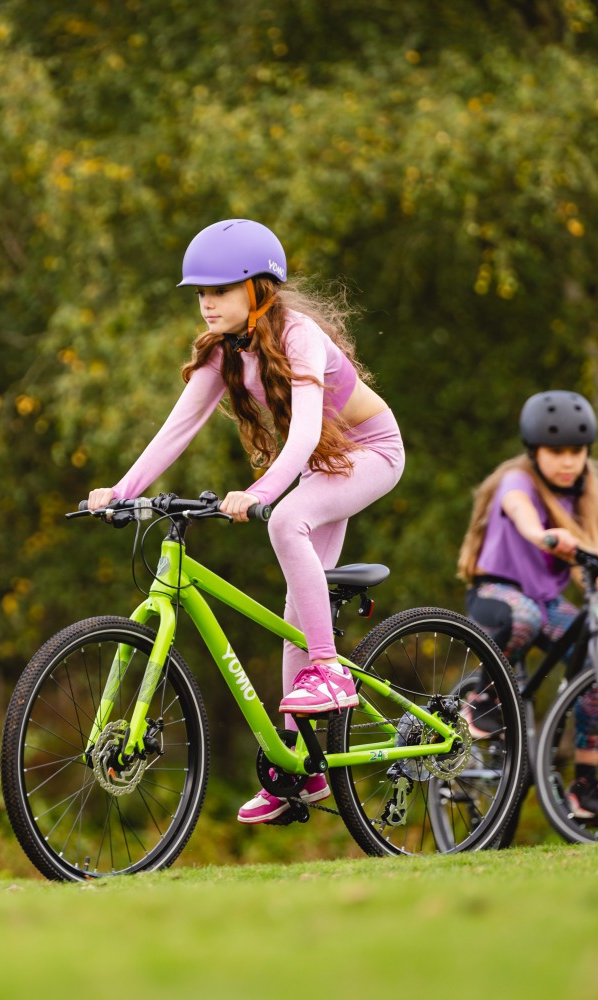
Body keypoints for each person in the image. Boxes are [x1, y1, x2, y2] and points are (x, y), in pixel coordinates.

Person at [87, 219, 405, 824]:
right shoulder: (222, 353)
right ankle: (301, 770)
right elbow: (174, 432)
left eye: (220, 290)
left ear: (259, 288)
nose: (206, 302)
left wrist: (259, 493)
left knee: (285, 525)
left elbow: (308, 430)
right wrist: (121, 492)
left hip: (371, 452)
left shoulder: (299, 335)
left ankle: (332, 673)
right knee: (296, 613)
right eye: (199, 292)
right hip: (321, 465)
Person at [454, 391, 598, 826]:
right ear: (534, 452)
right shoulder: (517, 481)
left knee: (597, 660)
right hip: (495, 596)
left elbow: (591, 565)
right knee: (524, 616)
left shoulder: (583, 495)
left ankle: (584, 784)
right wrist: (542, 534)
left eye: (576, 452)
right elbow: (520, 513)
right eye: (556, 451)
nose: (567, 461)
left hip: (545, 603)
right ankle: (483, 698)